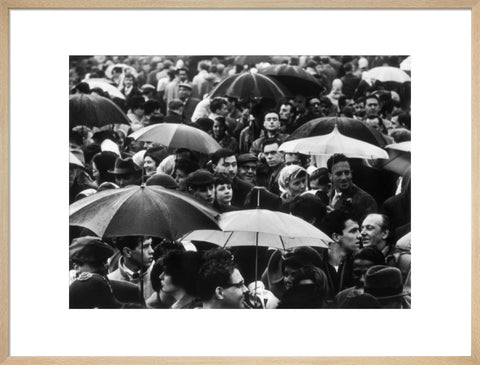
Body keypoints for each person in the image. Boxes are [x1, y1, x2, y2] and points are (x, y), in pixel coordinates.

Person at [69, 236, 143, 307]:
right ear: (76, 267)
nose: (104, 266)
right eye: (96, 264)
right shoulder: (71, 295)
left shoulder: (129, 291)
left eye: (105, 261)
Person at [327, 154, 377, 223]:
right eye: (339, 174)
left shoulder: (365, 200)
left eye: (347, 173)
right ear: (330, 176)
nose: (344, 177)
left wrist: (337, 218)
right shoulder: (330, 195)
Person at [322, 210, 362, 292]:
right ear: (336, 237)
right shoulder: (318, 262)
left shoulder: (360, 263)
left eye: (358, 230)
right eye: (353, 231)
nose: (360, 235)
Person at [108, 236, 155, 302]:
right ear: (127, 252)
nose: (152, 251)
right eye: (145, 247)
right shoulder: (110, 281)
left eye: (151, 245)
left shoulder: (160, 276)